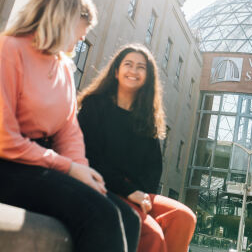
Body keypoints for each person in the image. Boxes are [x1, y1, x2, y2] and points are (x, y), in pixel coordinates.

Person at [0, 0, 140, 252]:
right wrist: (67, 168)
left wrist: (82, 171)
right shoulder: (6, 50)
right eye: (84, 27)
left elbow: (69, 131)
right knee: (99, 215)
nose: (83, 37)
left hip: (38, 163)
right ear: (65, 18)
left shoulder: (64, 68)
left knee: (129, 218)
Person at [77, 44, 197, 252]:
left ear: (148, 77)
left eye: (141, 67)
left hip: (137, 193)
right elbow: (88, 157)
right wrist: (129, 191)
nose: (133, 71)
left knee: (184, 217)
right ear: (116, 71)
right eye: (128, 64)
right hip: (102, 187)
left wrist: (140, 196)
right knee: (151, 233)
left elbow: (153, 170)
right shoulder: (95, 106)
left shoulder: (147, 117)